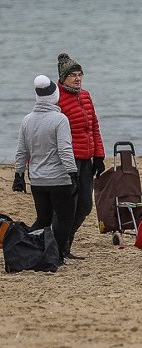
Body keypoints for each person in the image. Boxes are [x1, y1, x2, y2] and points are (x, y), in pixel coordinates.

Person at [14, 75, 78, 262]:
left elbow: (21, 150)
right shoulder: (60, 120)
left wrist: (19, 175)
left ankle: (29, 247)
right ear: (54, 96)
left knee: (43, 219)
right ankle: (56, 254)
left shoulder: (27, 120)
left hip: (37, 180)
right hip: (59, 179)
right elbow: (65, 150)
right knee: (64, 219)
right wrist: (73, 174)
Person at [56, 52, 105, 260]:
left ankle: (67, 241)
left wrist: (99, 156)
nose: (77, 78)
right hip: (69, 160)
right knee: (69, 206)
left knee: (85, 205)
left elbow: (93, 126)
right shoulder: (56, 98)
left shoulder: (85, 96)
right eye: (72, 75)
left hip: (87, 158)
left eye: (80, 74)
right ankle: (60, 247)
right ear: (62, 78)